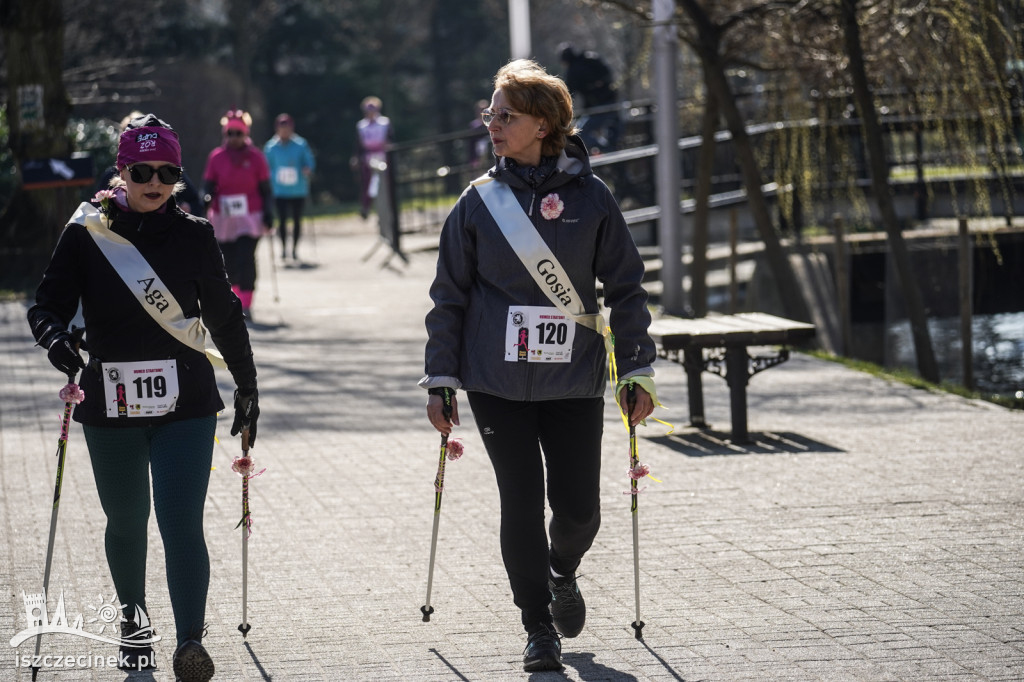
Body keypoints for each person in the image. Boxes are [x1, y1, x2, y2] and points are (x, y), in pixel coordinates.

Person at [420, 59, 657, 672]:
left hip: (573, 378)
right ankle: (537, 627)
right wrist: (441, 379)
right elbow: (448, 296)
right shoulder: (477, 204)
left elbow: (626, 287)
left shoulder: (592, 198)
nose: (493, 125)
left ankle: (562, 570)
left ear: (545, 124)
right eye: (490, 114)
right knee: (519, 500)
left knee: (579, 508)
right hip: (495, 381)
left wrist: (636, 368)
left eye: (507, 115)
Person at [27, 113, 259, 682]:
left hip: (185, 405)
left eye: (166, 171)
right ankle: (134, 627)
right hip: (111, 408)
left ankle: (189, 643)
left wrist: (248, 386)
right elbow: (45, 306)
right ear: (122, 171)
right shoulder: (87, 234)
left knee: (182, 521)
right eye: (141, 169)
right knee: (127, 521)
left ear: (178, 175)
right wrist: (57, 342)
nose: (153, 181)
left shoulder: (195, 234)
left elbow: (225, 317)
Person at [203, 110, 273, 318]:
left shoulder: (256, 157)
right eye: (230, 133)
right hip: (224, 217)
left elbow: (266, 189)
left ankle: (247, 303)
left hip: (250, 215)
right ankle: (234, 300)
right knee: (228, 261)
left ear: (245, 134)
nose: (233, 138)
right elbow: (208, 184)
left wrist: (269, 213)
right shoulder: (216, 157)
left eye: (238, 134)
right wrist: (206, 198)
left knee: (246, 258)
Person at [95, 111, 204, 216]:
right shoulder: (92, 227)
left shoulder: (198, 231)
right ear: (122, 172)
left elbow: (196, 203)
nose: (155, 182)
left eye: (168, 173)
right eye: (141, 172)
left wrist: (187, 208)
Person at [263, 113, 316, 261]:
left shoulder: (301, 144)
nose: (284, 131)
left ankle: (294, 249)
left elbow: (309, 162)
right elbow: (266, 167)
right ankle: (284, 248)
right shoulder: (271, 147)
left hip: (298, 189)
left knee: (297, 220)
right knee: (282, 220)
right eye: (282, 128)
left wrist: (307, 168)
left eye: (287, 128)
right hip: (280, 190)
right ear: (277, 129)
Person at [559, 43, 622, 153]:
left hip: (599, 106)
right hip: (612, 101)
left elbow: (568, 93)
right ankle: (610, 150)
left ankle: (605, 151)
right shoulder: (590, 58)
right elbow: (608, 74)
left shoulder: (574, 70)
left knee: (580, 134)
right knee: (613, 134)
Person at [353, 96, 392, 219]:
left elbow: (390, 139)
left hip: (383, 156)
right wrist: (356, 157)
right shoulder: (361, 125)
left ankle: (389, 206)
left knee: (386, 183)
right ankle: (366, 207)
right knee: (367, 183)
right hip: (368, 157)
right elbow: (358, 144)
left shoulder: (384, 123)